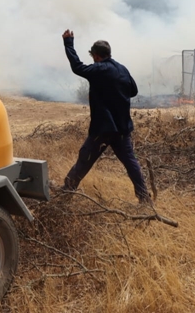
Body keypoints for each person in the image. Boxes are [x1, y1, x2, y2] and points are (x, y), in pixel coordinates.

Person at [61, 29, 151, 204]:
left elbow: (77, 66)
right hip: (123, 128)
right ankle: (145, 198)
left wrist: (68, 43)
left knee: (84, 158)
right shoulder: (122, 69)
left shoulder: (99, 69)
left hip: (103, 129)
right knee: (131, 163)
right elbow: (133, 91)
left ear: (95, 56)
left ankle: (66, 192)